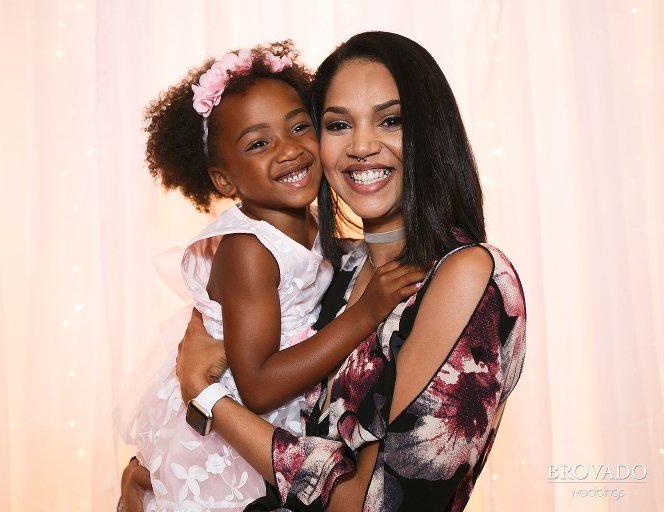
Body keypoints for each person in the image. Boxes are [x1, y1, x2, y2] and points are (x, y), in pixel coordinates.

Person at [168, 31, 528, 511]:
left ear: (431, 130)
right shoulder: (339, 265)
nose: (361, 146)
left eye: (391, 120)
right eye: (338, 125)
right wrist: (155, 468)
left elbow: (375, 503)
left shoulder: (467, 276)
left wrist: (206, 398)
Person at [126, 41, 424, 512]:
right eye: (259, 143)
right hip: (224, 429)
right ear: (225, 182)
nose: (289, 150)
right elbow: (258, 386)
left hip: (273, 419)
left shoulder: (310, 223)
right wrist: (366, 314)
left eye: (299, 127)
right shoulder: (248, 250)